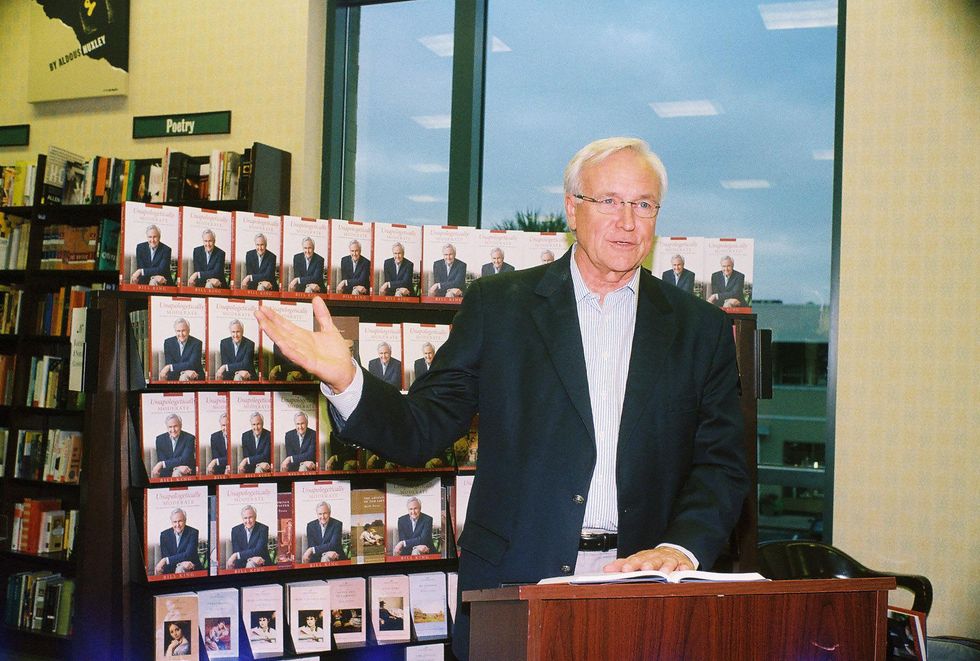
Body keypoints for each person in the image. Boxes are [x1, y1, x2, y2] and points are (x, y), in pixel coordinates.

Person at [254, 136, 748, 660]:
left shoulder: (701, 329)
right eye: (609, 201)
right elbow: (423, 428)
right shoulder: (501, 306)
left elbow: (721, 463)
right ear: (572, 208)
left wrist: (679, 548)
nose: (627, 221)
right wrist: (347, 379)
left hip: (645, 589)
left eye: (643, 204)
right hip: (514, 583)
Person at [154, 508, 200, 575]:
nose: (177, 525)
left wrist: (165, 560)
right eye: (175, 522)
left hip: (190, 567)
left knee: (181, 568)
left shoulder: (193, 532)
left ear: (185, 520)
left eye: (180, 521)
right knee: (157, 570)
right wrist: (180, 563)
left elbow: (188, 554)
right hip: (171, 568)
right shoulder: (164, 535)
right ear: (171, 522)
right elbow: (165, 555)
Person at [151, 414, 196, 478]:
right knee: (154, 472)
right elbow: (162, 459)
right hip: (167, 471)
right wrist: (177, 467)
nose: (173, 430)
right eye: (170, 427)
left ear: (181, 426)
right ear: (167, 427)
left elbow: (185, 459)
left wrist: (162, 464)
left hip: (185, 470)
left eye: (175, 426)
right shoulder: (160, 439)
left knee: (177, 473)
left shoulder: (189, 438)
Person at [228, 504, 270, 569]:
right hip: (242, 562)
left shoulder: (263, 529)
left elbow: (258, 550)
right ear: (242, 518)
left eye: (250, 517)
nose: (248, 521)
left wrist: (236, 555)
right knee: (229, 565)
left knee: (251, 564)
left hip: (260, 561)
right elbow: (236, 550)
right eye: (245, 518)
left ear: (255, 517)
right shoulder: (235, 530)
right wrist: (250, 558)